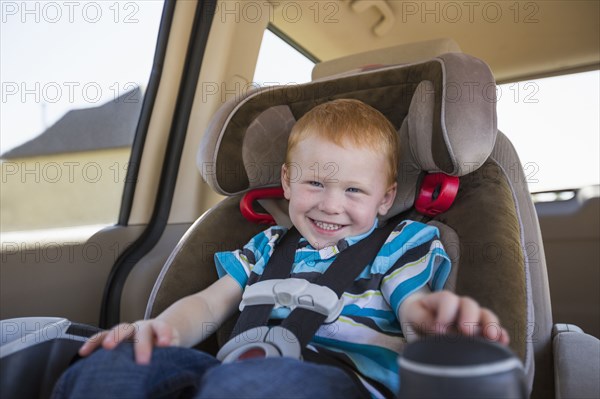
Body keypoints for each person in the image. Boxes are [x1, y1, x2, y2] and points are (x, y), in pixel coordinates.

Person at [52, 99, 509, 399]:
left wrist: (435, 322)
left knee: (249, 385)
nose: (331, 204)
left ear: (385, 199)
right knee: (113, 369)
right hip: (233, 374)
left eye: (354, 190)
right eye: (314, 183)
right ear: (288, 182)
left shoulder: (398, 245)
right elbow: (208, 305)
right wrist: (159, 330)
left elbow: (414, 309)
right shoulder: (266, 246)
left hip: (341, 383)